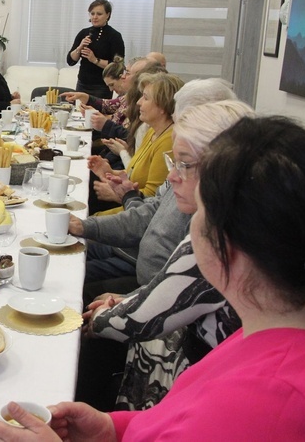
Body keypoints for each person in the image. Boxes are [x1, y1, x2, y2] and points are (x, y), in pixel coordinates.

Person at [0, 116, 305, 441]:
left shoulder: (273, 400)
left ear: (228, 246)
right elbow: (180, 421)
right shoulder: (273, 332)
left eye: (199, 210)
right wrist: (114, 428)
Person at [79, 101, 252, 412]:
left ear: (221, 167)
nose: (172, 177)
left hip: (197, 391)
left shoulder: (216, 236)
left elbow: (143, 317)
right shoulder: (237, 219)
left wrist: (111, 311)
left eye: (183, 164)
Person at [90, 72, 184, 215]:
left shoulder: (168, 142)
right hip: (129, 205)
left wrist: (117, 195)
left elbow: (152, 199)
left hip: (135, 214)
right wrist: (109, 171)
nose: (139, 102)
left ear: (163, 106)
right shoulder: (152, 131)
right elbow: (133, 174)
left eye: (145, 98)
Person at [66, 0, 125, 100]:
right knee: (78, 113)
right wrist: (79, 48)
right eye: (92, 13)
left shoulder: (114, 36)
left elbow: (118, 66)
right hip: (82, 84)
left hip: (102, 86)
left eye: (99, 14)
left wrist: (95, 60)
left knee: (96, 114)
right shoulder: (84, 33)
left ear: (108, 15)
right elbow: (70, 61)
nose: (95, 17)